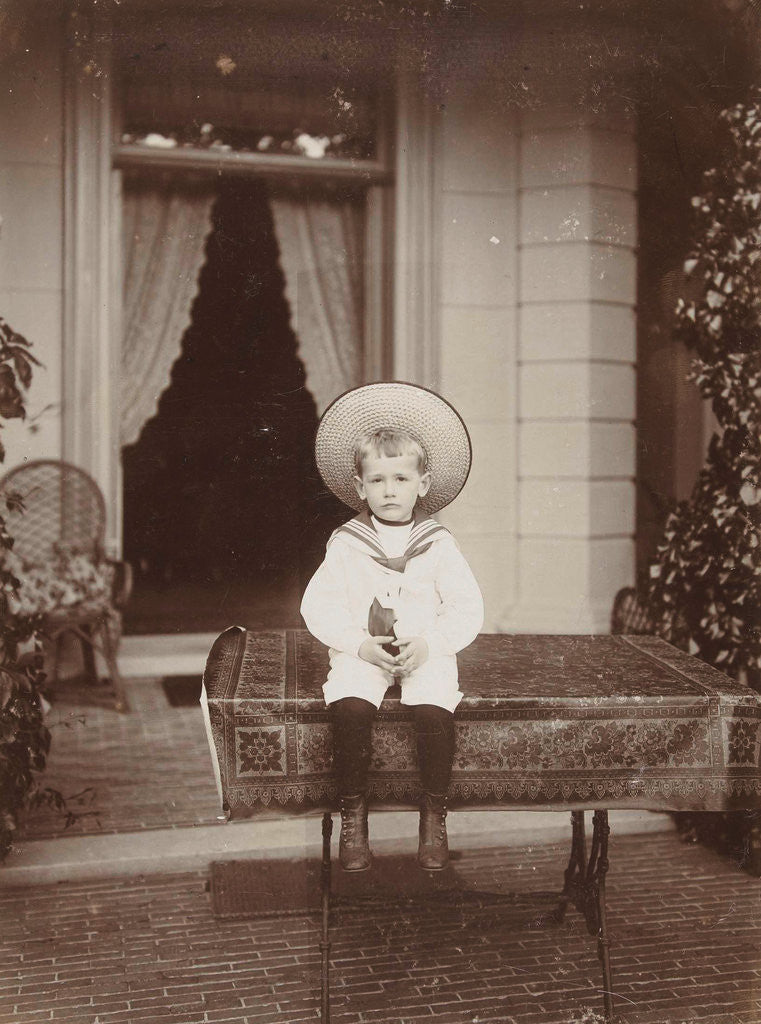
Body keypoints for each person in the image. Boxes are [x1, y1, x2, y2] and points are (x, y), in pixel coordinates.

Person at [300, 382, 483, 872]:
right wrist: (359, 646)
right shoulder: (347, 543)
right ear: (360, 487)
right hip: (368, 650)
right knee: (353, 707)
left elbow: (467, 608)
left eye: (400, 479)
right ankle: (354, 817)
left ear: (422, 484)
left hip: (424, 648)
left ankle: (433, 815)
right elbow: (318, 606)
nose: (389, 490)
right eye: (377, 480)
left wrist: (432, 644)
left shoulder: (438, 543)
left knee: (433, 710)